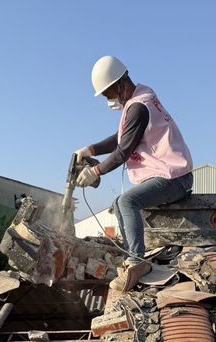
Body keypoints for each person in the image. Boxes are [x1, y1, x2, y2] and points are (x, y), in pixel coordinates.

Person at [76, 56, 193, 292]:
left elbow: (123, 151)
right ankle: (131, 257)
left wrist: (96, 171)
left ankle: (136, 261)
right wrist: (92, 149)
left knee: (127, 201)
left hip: (175, 177)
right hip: (168, 175)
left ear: (120, 85)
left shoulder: (139, 106)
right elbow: (122, 137)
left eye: (108, 94)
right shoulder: (139, 100)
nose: (109, 100)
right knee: (117, 204)